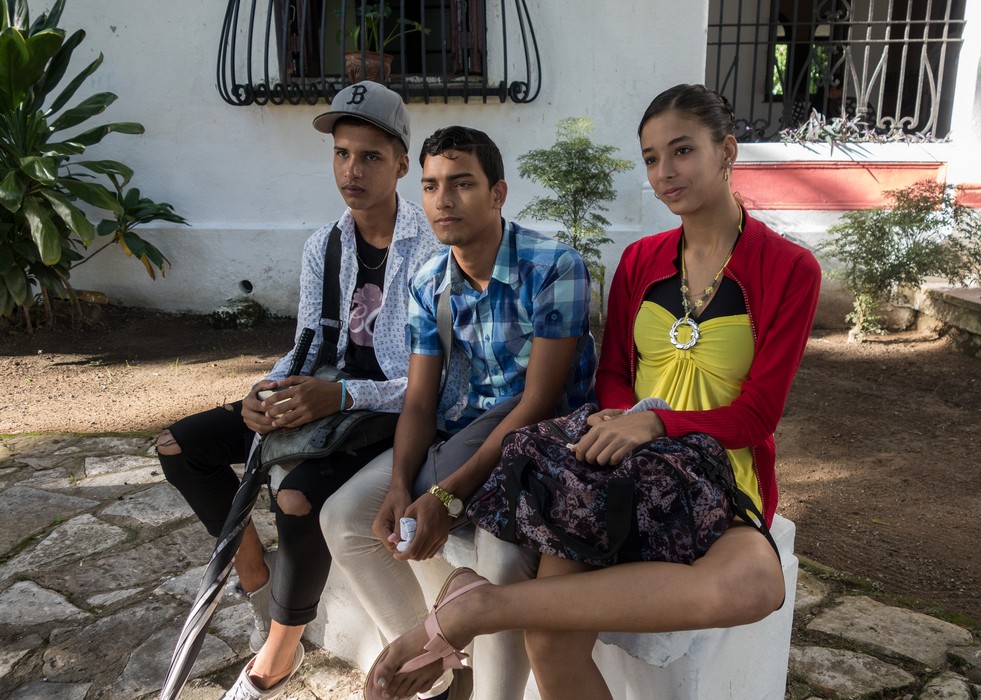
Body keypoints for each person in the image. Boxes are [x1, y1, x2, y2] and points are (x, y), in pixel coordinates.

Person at [364, 84, 822, 700]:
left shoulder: (789, 268)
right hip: (618, 460)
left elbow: (758, 414)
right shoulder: (639, 260)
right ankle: (475, 608)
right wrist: (627, 425)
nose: (665, 173)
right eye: (651, 158)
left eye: (681, 151)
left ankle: (477, 609)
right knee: (550, 641)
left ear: (727, 151)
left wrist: (658, 424)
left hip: (719, 469)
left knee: (756, 587)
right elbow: (610, 373)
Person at [155, 80, 443, 700]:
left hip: (392, 409)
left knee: (297, 500)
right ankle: (255, 572)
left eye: (369, 156)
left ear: (400, 162)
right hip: (328, 396)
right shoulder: (326, 245)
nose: (352, 170)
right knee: (178, 446)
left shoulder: (432, 247)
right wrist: (266, 391)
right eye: (341, 154)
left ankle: (279, 653)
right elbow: (307, 346)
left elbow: (431, 384)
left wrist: (338, 398)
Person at [321, 125, 596, 700]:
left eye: (462, 183)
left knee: (500, 559)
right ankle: (437, 665)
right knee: (346, 516)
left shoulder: (553, 267)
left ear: (497, 193)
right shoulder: (429, 281)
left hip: (544, 443)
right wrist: (400, 483)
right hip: (463, 434)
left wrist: (446, 497)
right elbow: (419, 401)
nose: (443, 200)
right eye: (430, 185)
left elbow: (538, 404)